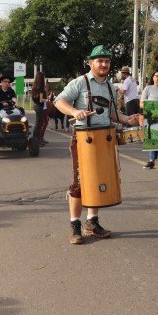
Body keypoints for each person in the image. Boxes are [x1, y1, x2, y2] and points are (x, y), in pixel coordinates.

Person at [54, 45, 141, 245]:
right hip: (84, 139)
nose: (104, 64)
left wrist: (128, 119)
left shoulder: (111, 87)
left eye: (107, 61)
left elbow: (112, 114)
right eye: (100, 61)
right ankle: (75, 225)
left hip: (105, 138)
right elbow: (59, 102)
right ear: (90, 63)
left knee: (99, 179)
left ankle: (92, 223)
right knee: (79, 183)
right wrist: (75, 112)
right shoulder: (79, 82)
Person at [30, 71, 50, 146]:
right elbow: (41, 100)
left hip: (37, 106)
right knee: (39, 123)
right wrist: (47, 99)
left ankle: (37, 139)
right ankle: (36, 140)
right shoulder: (40, 88)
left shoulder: (35, 87)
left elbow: (35, 98)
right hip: (39, 106)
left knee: (39, 123)